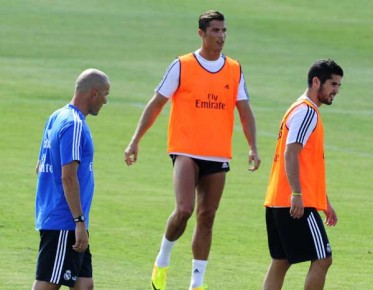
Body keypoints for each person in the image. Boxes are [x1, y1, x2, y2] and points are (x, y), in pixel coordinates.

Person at [124, 10, 260, 290]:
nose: (221, 36)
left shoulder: (234, 69)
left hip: (218, 153)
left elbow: (245, 111)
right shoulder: (182, 65)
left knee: (207, 217)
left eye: (224, 31)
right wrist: (135, 139)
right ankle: (162, 260)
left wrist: (253, 147)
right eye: (215, 31)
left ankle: (196, 283)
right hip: (185, 149)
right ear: (201, 33)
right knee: (185, 209)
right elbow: (157, 103)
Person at [262, 59, 343, 290]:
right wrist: (297, 193)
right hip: (296, 202)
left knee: (281, 261)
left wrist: (324, 202)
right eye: (332, 84)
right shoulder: (307, 112)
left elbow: (309, 164)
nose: (335, 91)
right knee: (323, 258)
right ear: (316, 81)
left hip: (279, 200)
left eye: (338, 86)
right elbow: (291, 153)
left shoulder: (297, 109)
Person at [32, 68, 110, 290]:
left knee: (84, 285)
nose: (105, 101)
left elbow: (41, 166)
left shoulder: (55, 117)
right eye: (105, 94)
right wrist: (78, 222)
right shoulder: (74, 125)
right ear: (93, 93)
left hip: (62, 218)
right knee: (47, 285)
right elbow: (68, 177)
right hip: (64, 221)